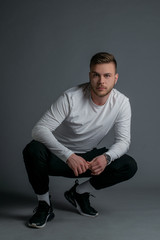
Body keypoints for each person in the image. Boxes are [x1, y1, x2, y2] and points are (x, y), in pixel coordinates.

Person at [23, 52, 137, 229]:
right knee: (33, 149)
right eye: (96, 75)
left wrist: (106, 158)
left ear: (115, 78)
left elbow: (123, 141)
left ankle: (79, 193)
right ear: (90, 76)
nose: (101, 81)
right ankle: (44, 204)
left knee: (128, 164)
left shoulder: (121, 102)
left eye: (107, 75)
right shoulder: (71, 97)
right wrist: (68, 156)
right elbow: (39, 129)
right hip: (58, 157)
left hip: (87, 160)